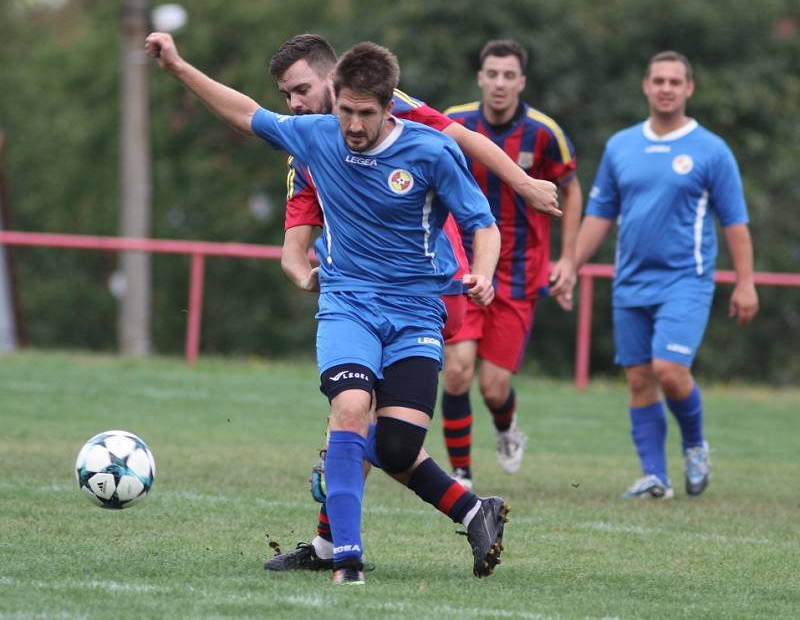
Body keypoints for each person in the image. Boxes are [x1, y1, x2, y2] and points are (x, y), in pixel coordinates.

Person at [145, 33, 507, 584]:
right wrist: (177, 68)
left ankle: (469, 508)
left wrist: (483, 271)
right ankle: (345, 559)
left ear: (391, 107)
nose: (354, 126)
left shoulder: (430, 152)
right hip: (348, 305)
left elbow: (482, 223)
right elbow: (245, 113)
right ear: (333, 99)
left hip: (418, 309)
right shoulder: (316, 138)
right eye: (345, 112)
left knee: (395, 445)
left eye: (365, 114)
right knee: (350, 408)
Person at [574, 50, 759, 499]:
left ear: (688, 89)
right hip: (631, 281)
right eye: (658, 80)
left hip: (686, 280)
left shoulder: (711, 149)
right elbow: (600, 212)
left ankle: (695, 445)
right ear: (646, 85)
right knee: (639, 379)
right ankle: (655, 476)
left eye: (675, 81)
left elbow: (735, 221)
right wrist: (569, 265)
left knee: (670, 370)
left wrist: (745, 282)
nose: (666, 88)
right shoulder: (621, 146)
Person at [440, 40, 583, 487]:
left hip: (519, 274)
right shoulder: (454, 123)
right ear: (480, 77)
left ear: (521, 82)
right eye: (492, 74)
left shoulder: (544, 133)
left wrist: (569, 259)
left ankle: (506, 428)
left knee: (493, 387)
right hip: (465, 266)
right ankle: (461, 474)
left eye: (509, 76)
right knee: (459, 370)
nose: (499, 83)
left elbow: (571, 190)